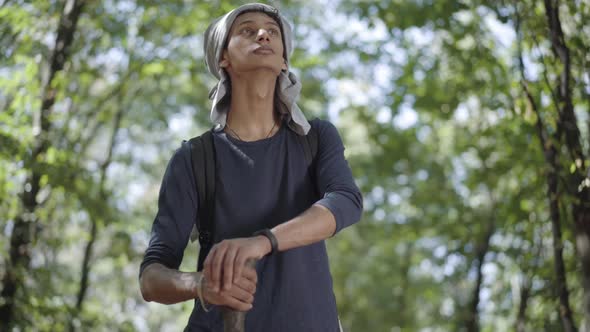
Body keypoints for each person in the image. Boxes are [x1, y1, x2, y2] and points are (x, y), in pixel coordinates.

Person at [139, 3, 363, 331]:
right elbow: (150, 279)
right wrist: (200, 284)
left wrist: (261, 242)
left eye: (273, 32)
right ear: (223, 58)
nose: (262, 34)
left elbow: (346, 201)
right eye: (247, 30)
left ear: (284, 60)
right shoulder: (194, 158)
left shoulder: (315, 138)